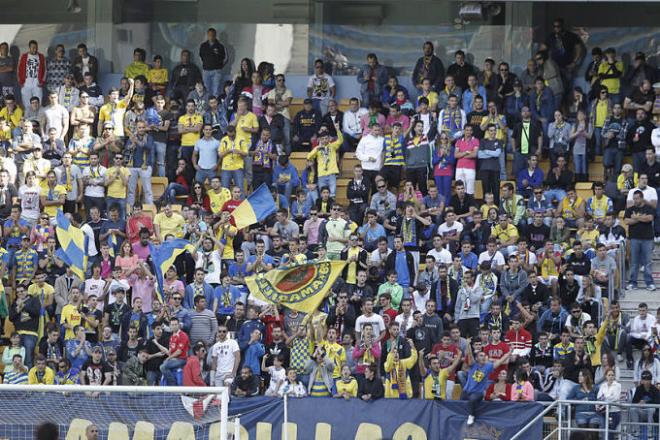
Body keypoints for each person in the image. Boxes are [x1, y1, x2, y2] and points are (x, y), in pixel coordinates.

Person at [461, 340, 511, 425]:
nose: (483, 357)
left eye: (484, 355)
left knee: (473, 400)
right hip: (466, 391)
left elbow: (500, 361)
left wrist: (509, 353)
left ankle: (471, 416)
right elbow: (469, 355)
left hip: (478, 393)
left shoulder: (488, 366)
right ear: (477, 358)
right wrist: (468, 344)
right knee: (460, 402)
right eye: (481, 355)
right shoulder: (473, 364)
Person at [625, 190, 656, 291]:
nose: (635, 200)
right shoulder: (630, 209)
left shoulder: (649, 208)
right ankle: (632, 282)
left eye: (637, 198)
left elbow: (650, 218)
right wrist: (641, 218)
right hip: (634, 239)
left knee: (648, 262)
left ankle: (649, 283)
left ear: (642, 198)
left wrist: (636, 217)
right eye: (634, 198)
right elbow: (626, 221)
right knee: (634, 262)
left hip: (648, 239)